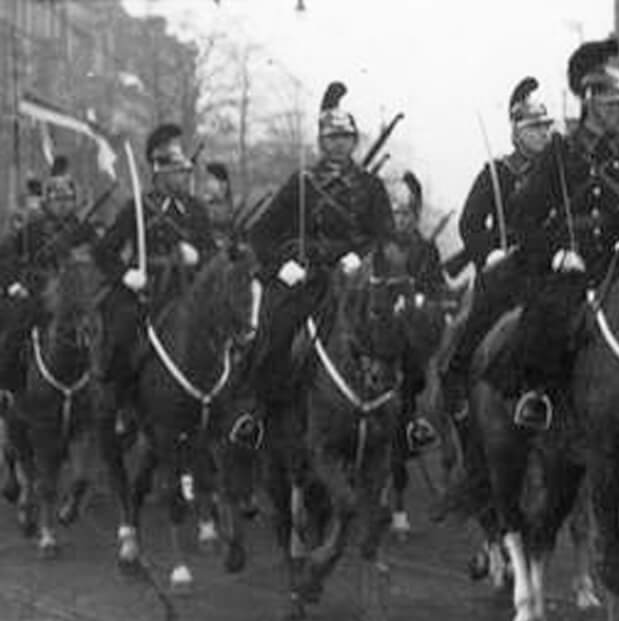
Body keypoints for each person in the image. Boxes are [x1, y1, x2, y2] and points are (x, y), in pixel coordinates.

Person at [497, 38, 619, 430]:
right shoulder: (558, 153)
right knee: (550, 312)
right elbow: (523, 216)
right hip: (573, 268)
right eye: (614, 104)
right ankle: (538, 395)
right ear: (591, 103)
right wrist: (556, 254)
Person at [236, 82, 394, 439]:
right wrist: (280, 266)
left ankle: (409, 418)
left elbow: (386, 235)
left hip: (356, 281)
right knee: (276, 336)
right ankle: (259, 414)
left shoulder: (370, 186)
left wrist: (361, 256)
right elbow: (260, 234)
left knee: (397, 333)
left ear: (355, 141)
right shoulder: (302, 182)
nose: (340, 143)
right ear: (322, 141)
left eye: (346, 137)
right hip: (309, 281)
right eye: (333, 137)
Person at [439, 75, 556, 415]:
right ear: (516, 132)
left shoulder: (558, 172)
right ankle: (456, 377)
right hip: (506, 264)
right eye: (535, 128)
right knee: (482, 314)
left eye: (546, 127)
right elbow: (469, 224)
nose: (543, 134)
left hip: (548, 261)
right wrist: (490, 252)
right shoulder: (496, 172)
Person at [92, 123, 216, 436]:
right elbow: (104, 251)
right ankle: (121, 401)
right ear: (159, 173)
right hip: (145, 289)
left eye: (186, 172)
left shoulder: (196, 209)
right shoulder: (138, 207)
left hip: (188, 288)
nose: (184, 177)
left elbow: (213, 254)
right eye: (177, 172)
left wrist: (198, 256)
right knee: (121, 328)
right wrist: (126, 274)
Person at [0, 158, 100, 406]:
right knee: (16, 326)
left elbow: (98, 255)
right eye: (58, 200)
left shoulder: (83, 229)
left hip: (75, 293)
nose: (64, 205)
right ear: (48, 201)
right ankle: (7, 385)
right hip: (38, 290)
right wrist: (13, 283)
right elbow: (6, 255)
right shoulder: (32, 228)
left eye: (68, 200)